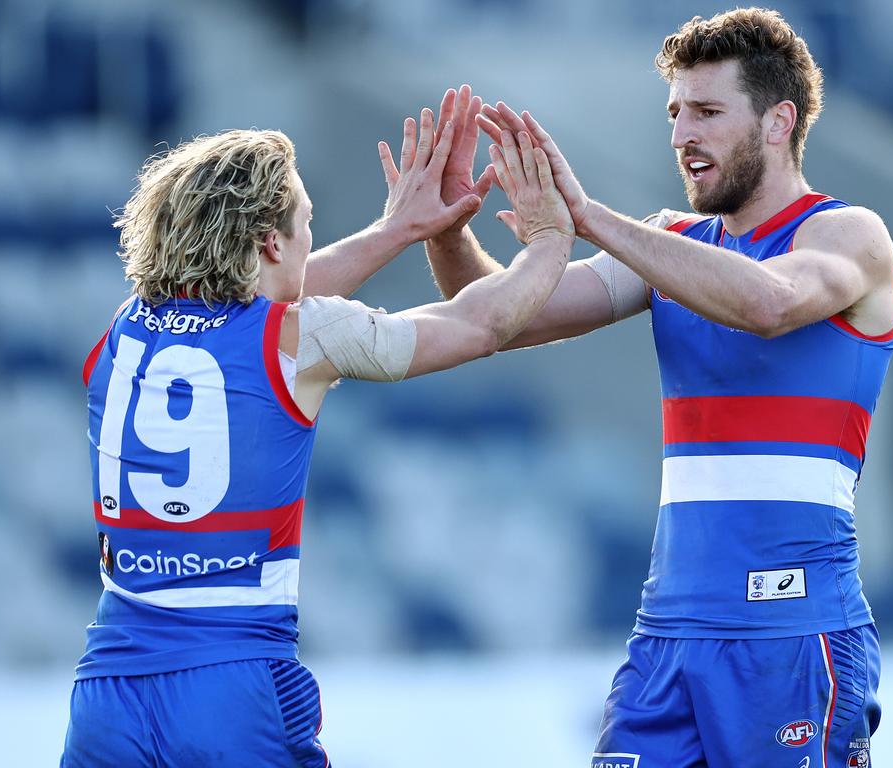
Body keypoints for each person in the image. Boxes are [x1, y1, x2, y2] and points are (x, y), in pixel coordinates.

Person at [427, 9, 893, 768]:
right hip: (667, 639)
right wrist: (447, 232)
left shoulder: (849, 235)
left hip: (791, 636)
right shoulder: (673, 245)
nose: (683, 133)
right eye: (675, 112)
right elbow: (501, 321)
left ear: (780, 121)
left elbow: (768, 304)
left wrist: (587, 218)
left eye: (708, 112)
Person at [63, 105, 574, 766]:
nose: (310, 240)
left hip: (106, 690)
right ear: (271, 242)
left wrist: (395, 230)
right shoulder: (301, 339)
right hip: (232, 683)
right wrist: (552, 240)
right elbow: (479, 324)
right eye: (307, 224)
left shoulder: (124, 328)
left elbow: (254, 307)